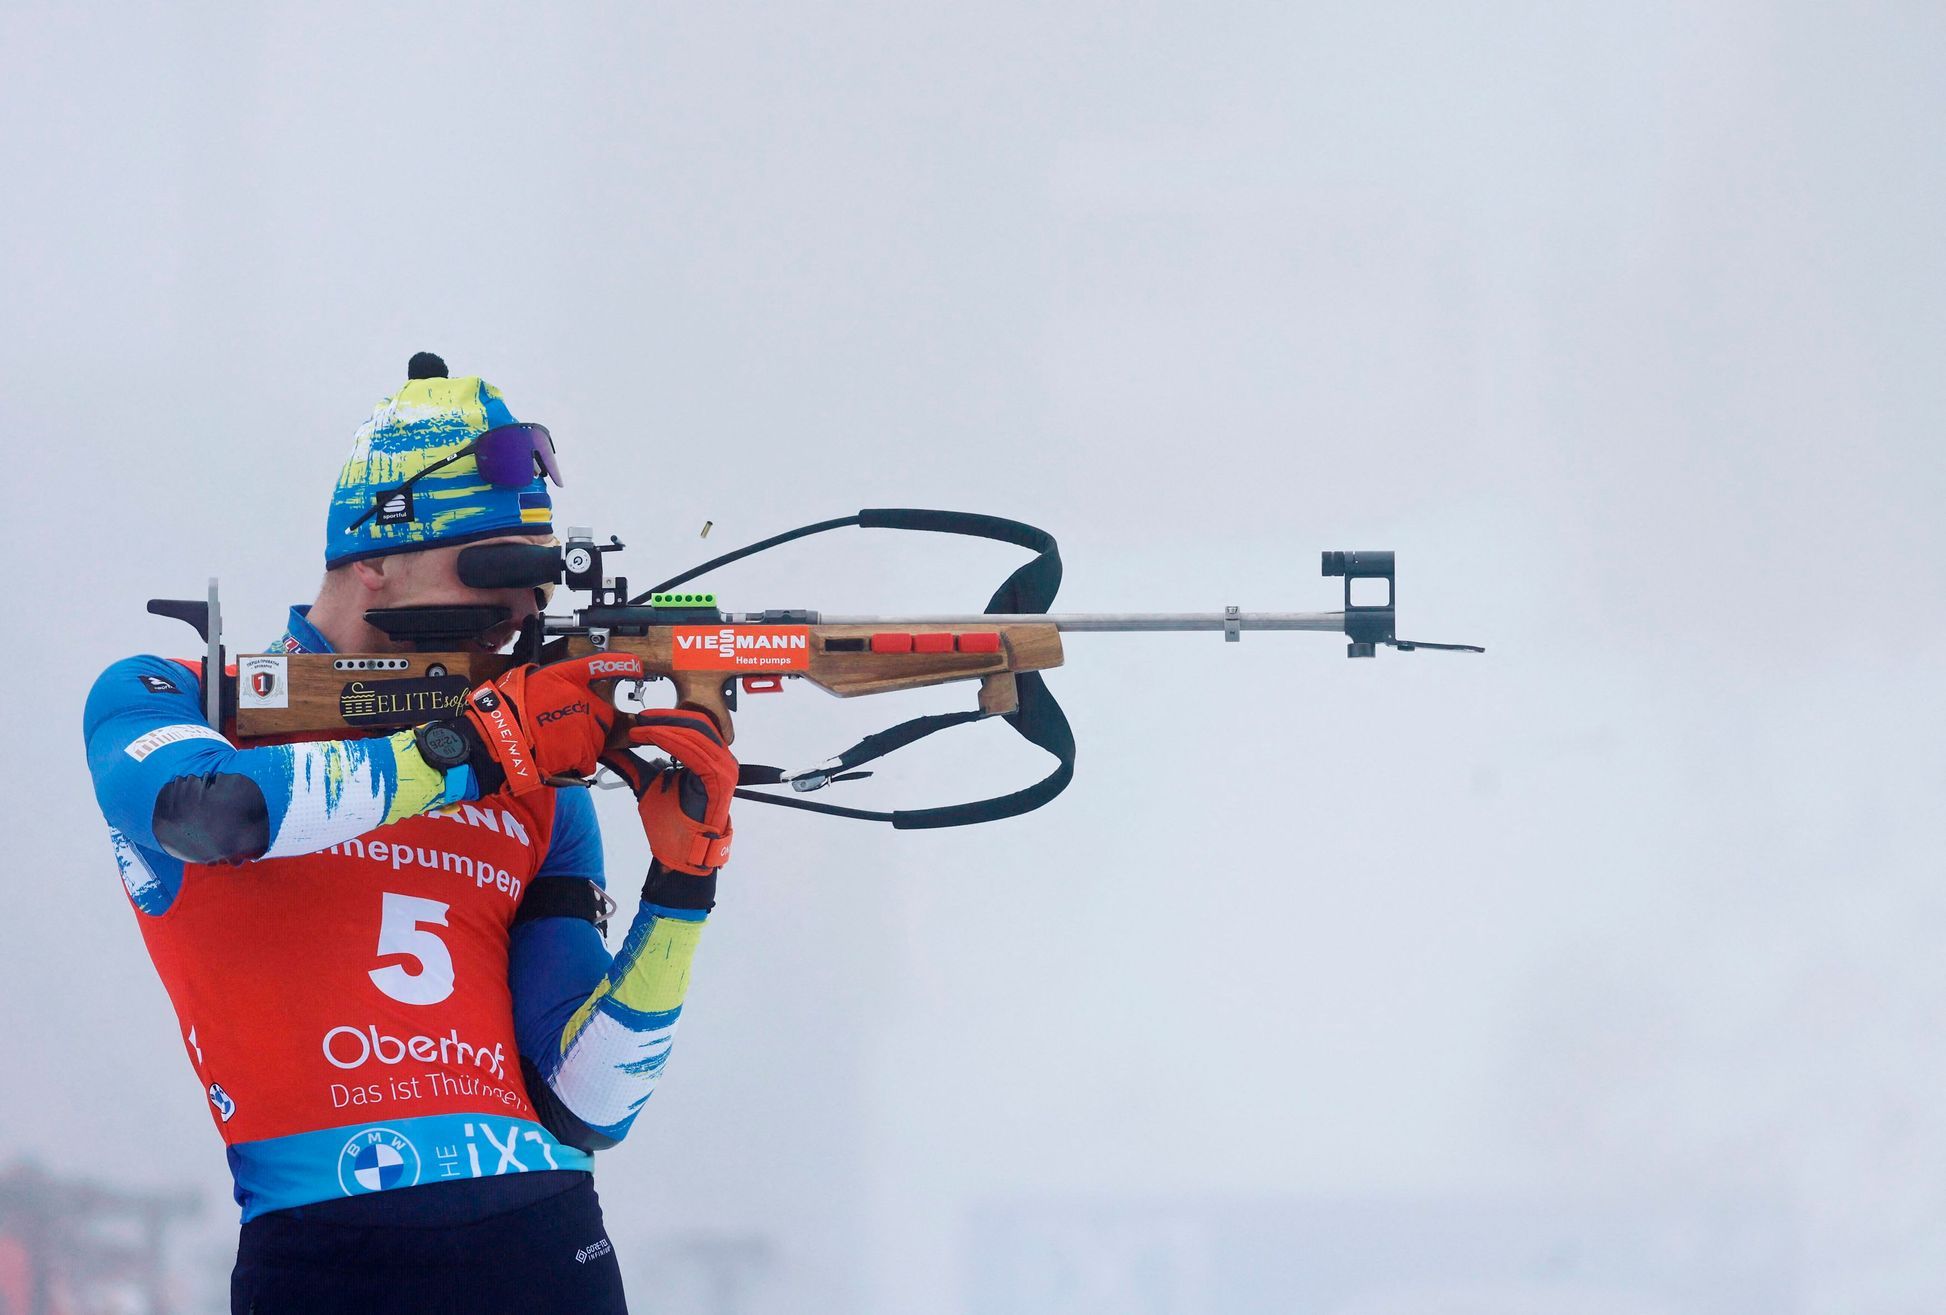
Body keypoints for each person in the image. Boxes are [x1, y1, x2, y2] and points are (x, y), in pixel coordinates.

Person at [81, 354, 735, 1313]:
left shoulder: (539, 783)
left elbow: (587, 1103)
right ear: (374, 554)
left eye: (538, 588)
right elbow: (211, 812)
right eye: (494, 571)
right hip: (322, 1250)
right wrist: (469, 746)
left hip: (545, 1237)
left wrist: (683, 884)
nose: (520, 617)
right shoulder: (176, 695)